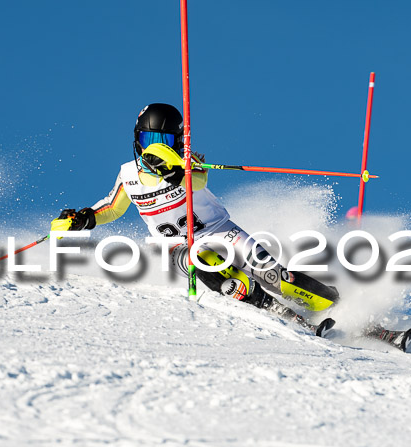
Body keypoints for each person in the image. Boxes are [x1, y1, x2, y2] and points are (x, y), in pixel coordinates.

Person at [50, 103, 339, 334]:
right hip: (177, 248)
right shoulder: (129, 175)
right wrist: (84, 218)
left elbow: (198, 181)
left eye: (163, 140)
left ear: (177, 141)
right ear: (136, 140)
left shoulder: (187, 162)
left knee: (275, 276)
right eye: (147, 139)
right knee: (214, 268)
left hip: (219, 231)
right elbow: (111, 208)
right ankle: (278, 313)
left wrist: (179, 173)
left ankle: (334, 303)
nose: (154, 148)